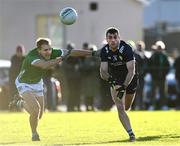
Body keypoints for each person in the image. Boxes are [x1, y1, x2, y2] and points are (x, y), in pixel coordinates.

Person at [11, 38, 94, 141]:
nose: (48, 52)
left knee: (39, 115)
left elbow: (71, 52)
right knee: (36, 109)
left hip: (37, 82)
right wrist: (60, 59)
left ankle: (20, 103)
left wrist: (93, 53)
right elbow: (45, 65)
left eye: (50, 49)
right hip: (24, 83)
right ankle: (34, 134)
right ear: (39, 50)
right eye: (45, 50)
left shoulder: (52, 52)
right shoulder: (31, 57)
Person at [99, 27, 138, 142]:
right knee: (120, 107)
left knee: (127, 106)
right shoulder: (104, 51)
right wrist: (112, 82)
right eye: (110, 38)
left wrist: (124, 87)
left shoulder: (126, 49)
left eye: (115, 37)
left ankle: (126, 108)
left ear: (119, 38)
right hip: (116, 78)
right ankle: (131, 134)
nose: (113, 40)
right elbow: (103, 71)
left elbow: (131, 70)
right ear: (106, 39)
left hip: (130, 78)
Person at [148, 41, 170, 110]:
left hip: (162, 78)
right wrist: (152, 74)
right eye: (158, 47)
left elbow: (168, 66)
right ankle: (152, 105)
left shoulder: (164, 56)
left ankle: (163, 105)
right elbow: (149, 66)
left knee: (163, 92)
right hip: (154, 77)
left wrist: (164, 74)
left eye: (160, 48)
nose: (159, 49)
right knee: (153, 92)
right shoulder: (153, 56)